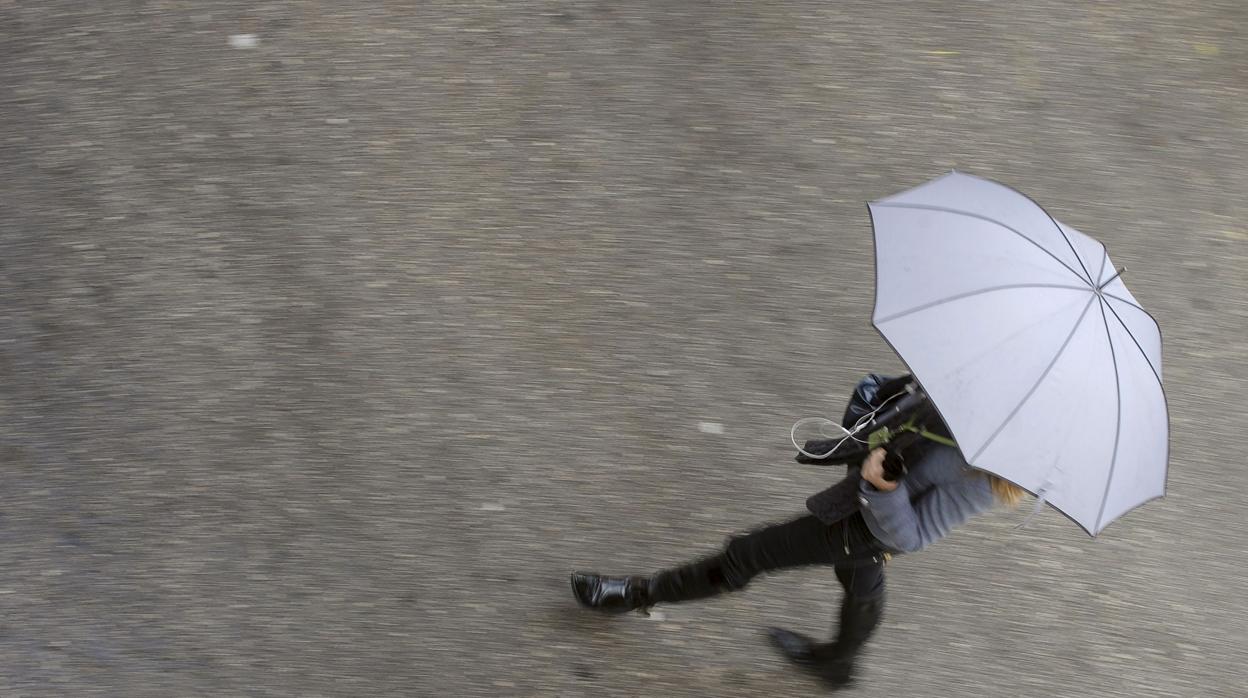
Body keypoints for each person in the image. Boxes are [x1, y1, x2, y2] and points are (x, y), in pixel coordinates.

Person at [570, 439, 1026, 691]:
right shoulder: (962, 404)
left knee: (746, 555)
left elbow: (913, 535)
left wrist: (884, 487)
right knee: (860, 580)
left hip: (860, 530)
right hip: (853, 509)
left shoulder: (985, 477)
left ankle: (638, 595)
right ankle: (839, 666)